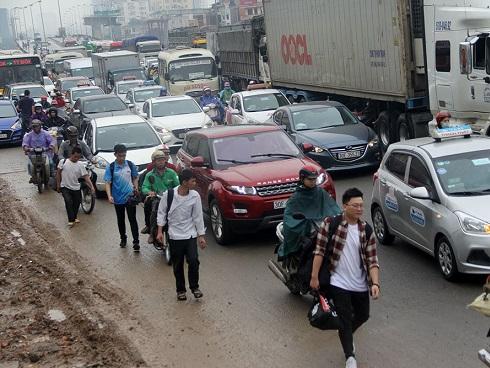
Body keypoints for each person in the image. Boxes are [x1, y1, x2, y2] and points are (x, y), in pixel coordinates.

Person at [310, 188, 380, 368]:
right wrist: (314, 277)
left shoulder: (366, 230)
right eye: (355, 205)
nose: (359, 209)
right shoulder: (331, 223)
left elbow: (372, 260)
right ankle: (350, 356)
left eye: (361, 206)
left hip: (360, 284)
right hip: (338, 281)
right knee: (345, 318)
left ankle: (345, 334)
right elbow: (319, 250)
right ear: (345, 206)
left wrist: (375, 283)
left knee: (363, 315)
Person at [156, 169, 206, 301]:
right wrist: (160, 231)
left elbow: (198, 216)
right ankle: (180, 290)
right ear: (184, 182)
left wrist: (201, 236)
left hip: (190, 234)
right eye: (193, 181)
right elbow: (161, 213)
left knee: (194, 261)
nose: (195, 183)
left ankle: (195, 287)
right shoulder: (169, 195)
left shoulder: (195, 196)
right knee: (178, 264)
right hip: (174, 235)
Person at [281, 166, 341, 259]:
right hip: (308, 230)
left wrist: (339, 217)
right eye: (310, 179)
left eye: (314, 179)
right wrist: (304, 223)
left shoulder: (320, 192)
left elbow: (332, 207)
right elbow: (289, 217)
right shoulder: (295, 198)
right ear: (302, 179)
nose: (313, 182)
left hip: (322, 226)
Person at [104, 144, 140, 251]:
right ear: (115, 155)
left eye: (124, 155)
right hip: (118, 198)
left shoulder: (130, 164)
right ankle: (123, 239)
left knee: (132, 219)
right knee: (121, 220)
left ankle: (136, 242)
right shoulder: (111, 167)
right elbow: (107, 182)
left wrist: (136, 188)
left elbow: (135, 177)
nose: (122, 158)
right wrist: (109, 196)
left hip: (130, 198)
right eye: (120, 156)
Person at [141, 150, 180, 242]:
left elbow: (178, 185)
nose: (161, 162)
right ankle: (151, 231)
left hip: (171, 197)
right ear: (154, 162)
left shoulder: (171, 173)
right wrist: (149, 192)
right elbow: (144, 187)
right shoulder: (149, 175)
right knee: (154, 208)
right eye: (158, 160)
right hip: (157, 198)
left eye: (162, 160)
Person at [56, 146, 95, 227]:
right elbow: (58, 173)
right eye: (75, 156)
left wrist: (91, 186)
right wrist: (58, 185)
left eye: (78, 157)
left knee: (76, 203)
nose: (76, 158)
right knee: (68, 202)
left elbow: (86, 177)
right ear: (71, 154)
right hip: (65, 187)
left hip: (76, 187)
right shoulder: (63, 162)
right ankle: (71, 220)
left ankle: (74, 217)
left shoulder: (80, 165)